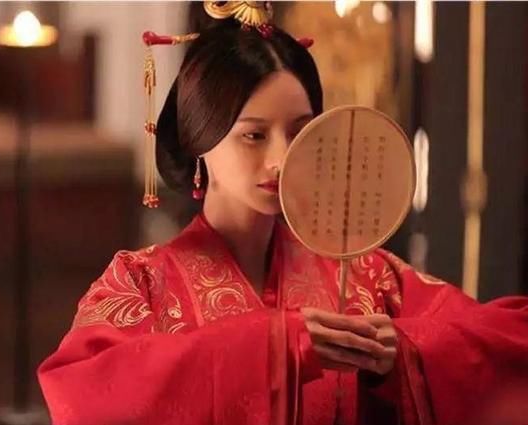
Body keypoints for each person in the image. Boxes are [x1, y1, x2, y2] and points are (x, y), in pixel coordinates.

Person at [38, 4, 528, 425]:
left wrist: (402, 352)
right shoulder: (141, 283)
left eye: (299, 132)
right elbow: (82, 398)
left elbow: (510, 342)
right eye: (254, 135)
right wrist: (277, 346)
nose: (281, 159)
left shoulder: (366, 275)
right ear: (201, 139)